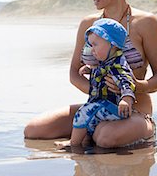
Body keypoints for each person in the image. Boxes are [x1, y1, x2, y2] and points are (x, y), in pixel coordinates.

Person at [24, 0, 157, 148]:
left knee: (105, 137)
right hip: (97, 105)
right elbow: (74, 73)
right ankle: (90, 131)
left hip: (135, 109)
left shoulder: (145, 22)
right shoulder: (89, 24)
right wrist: (100, 90)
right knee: (34, 130)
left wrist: (133, 87)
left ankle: (135, 130)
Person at [55, 18, 136, 148]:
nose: (92, 50)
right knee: (91, 120)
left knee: (84, 112)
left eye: (96, 45)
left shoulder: (118, 65)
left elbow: (127, 81)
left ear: (113, 44)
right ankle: (85, 141)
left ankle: (73, 143)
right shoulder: (107, 61)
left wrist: (126, 98)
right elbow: (102, 70)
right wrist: (90, 70)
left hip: (114, 107)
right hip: (104, 105)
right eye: (91, 45)